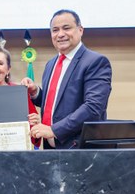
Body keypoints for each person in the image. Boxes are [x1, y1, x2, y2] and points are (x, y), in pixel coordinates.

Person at [21, 9, 112, 149]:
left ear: (80, 30)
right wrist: (36, 93)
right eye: (55, 30)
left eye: (66, 28)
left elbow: (93, 107)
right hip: (51, 149)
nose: (60, 34)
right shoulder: (51, 64)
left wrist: (53, 130)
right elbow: (57, 102)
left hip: (79, 149)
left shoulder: (96, 62)